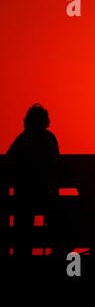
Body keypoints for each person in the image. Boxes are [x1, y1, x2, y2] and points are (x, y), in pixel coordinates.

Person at [7, 103, 60, 257]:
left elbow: (9, 160)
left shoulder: (22, 139)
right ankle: (57, 252)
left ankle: (22, 253)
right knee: (57, 216)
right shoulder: (49, 138)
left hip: (24, 196)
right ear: (45, 121)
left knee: (22, 222)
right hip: (46, 195)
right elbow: (56, 165)